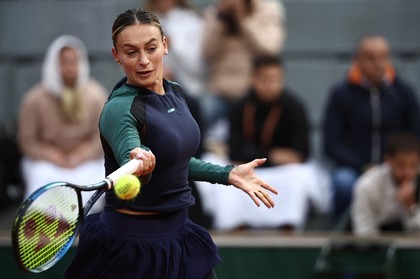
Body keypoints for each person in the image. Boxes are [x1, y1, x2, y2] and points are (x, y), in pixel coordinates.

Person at [65, 8, 278, 279]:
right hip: (132, 249)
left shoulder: (176, 92)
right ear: (116, 56)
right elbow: (129, 150)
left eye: (151, 48)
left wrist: (227, 174)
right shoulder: (118, 108)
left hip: (179, 235)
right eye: (131, 52)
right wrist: (138, 156)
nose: (144, 60)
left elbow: (175, 160)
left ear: (165, 45)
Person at [195, 55, 331, 231]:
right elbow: (234, 152)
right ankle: (235, 231)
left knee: (298, 180)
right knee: (224, 179)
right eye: (264, 79)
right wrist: (273, 155)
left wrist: (258, 155)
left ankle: (288, 231)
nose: (270, 85)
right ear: (253, 79)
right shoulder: (241, 107)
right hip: (246, 169)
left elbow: (299, 154)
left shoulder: (294, 107)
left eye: (275, 80)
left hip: (284, 172)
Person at [322, 35, 420, 227]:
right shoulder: (341, 94)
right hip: (355, 168)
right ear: (357, 60)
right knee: (342, 183)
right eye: (370, 57)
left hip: (399, 166)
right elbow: (331, 144)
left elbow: (416, 134)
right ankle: (338, 237)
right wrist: (364, 166)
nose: (378, 63)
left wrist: (403, 166)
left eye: (383, 56)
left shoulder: (404, 93)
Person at [17, 35, 108, 208]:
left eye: (74, 62)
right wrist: (52, 155)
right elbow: (27, 141)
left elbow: (101, 137)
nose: (69, 68)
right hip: (48, 164)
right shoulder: (33, 99)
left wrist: (81, 154)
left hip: (85, 163)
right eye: (64, 62)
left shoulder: (96, 95)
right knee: (40, 178)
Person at [201, 0, 286, 140]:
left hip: (254, 92)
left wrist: (243, 18)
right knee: (196, 119)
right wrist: (220, 18)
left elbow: (270, 49)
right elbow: (207, 52)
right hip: (220, 91)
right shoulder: (214, 12)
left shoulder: (268, 8)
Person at [351, 133, 420, 236]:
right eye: (401, 165)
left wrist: (411, 207)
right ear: (388, 160)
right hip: (375, 246)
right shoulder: (367, 186)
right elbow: (364, 234)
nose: (407, 172)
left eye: (413, 165)